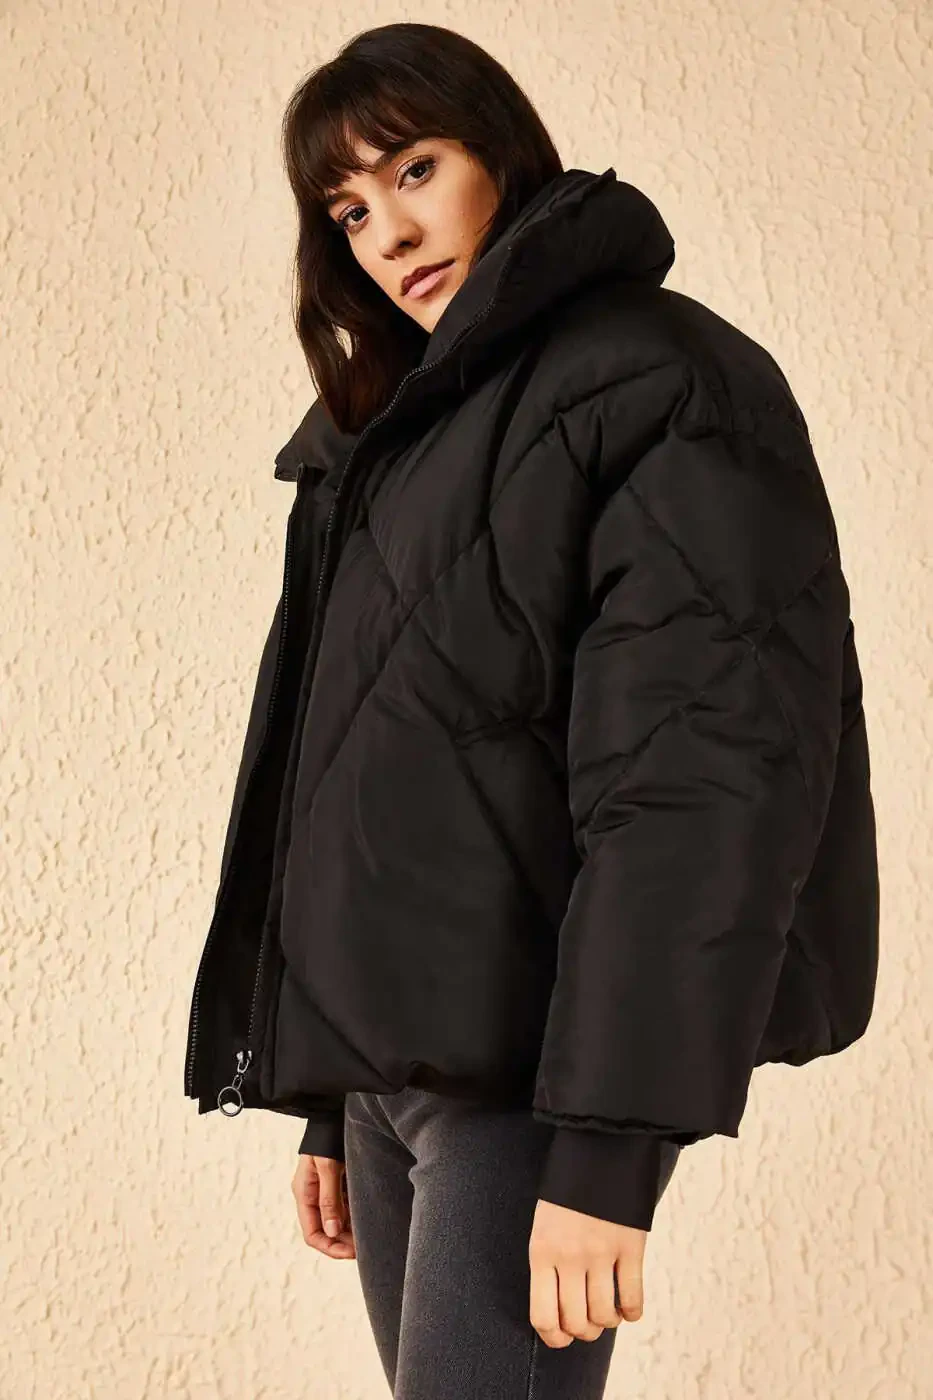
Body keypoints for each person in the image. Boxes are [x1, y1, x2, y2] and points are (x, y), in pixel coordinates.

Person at [183, 21, 880, 1398]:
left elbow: (703, 778)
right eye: (349, 210)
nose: (389, 233)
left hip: (533, 1097)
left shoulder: (662, 381)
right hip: (393, 1097)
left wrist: (611, 1150)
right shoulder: (395, 436)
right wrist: (328, 1091)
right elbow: (352, 774)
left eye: (414, 171)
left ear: (500, 150)